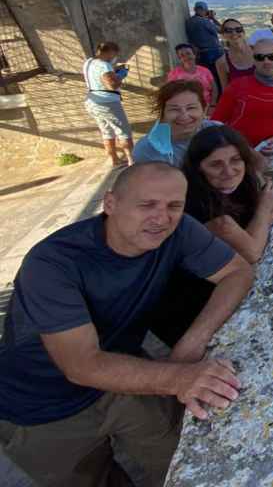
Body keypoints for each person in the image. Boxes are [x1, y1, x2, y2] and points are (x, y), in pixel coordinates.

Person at [0, 162, 253, 486]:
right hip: (42, 406)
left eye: (174, 205)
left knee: (183, 463)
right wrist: (178, 377)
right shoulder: (51, 263)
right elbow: (81, 365)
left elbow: (237, 271)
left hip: (126, 376)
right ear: (110, 204)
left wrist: (191, 343)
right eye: (146, 204)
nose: (162, 218)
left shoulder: (178, 230)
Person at [148, 126, 273, 346]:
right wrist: (262, 212)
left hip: (217, 280)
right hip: (185, 301)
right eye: (215, 164)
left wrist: (257, 226)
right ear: (198, 169)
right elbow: (251, 252)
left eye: (236, 160)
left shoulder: (244, 180)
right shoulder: (195, 203)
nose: (229, 171)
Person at [210, 38, 273, 154]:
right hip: (237, 150)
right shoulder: (237, 85)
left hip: (270, 151)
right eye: (260, 57)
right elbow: (215, 122)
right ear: (254, 61)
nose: (266, 61)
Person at [132, 80, 218, 167]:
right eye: (174, 109)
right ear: (162, 114)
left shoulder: (218, 131)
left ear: (204, 110)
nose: (184, 116)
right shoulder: (147, 150)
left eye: (191, 108)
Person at [83, 41, 134, 167]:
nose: (114, 57)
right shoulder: (104, 65)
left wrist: (115, 69)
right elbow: (112, 85)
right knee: (123, 132)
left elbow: (99, 75)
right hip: (107, 103)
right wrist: (121, 75)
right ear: (110, 52)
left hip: (93, 102)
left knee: (107, 132)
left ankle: (114, 160)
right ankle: (132, 160)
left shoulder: (89, 62)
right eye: (114, 54)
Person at [166, 43, 217, 109]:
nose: (186, 57)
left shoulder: (205, 71)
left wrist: (212, 105)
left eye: (188, 53)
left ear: (194, 55)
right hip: (186, 109)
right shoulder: (174, 74)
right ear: (180, 59)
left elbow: (215, 89)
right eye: (182, 55)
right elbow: (170, 92)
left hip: (207, 106)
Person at [215, 18, 255, 90]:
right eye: (229, 31)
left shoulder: (258, 51)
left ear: (243, 32)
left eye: (238, 29)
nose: (234, 33)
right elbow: (226, 90)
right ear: (223, 35)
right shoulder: (221, 62)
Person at [184, 1, 222, 74]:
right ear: (204, 10)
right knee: (217, 74)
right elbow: (221, 30)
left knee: (206, 74)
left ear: (194, 9)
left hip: (199, 54)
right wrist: (213, 18)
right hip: (212, 52)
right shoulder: (204, 21)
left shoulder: (189, 21)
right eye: (206, 11)